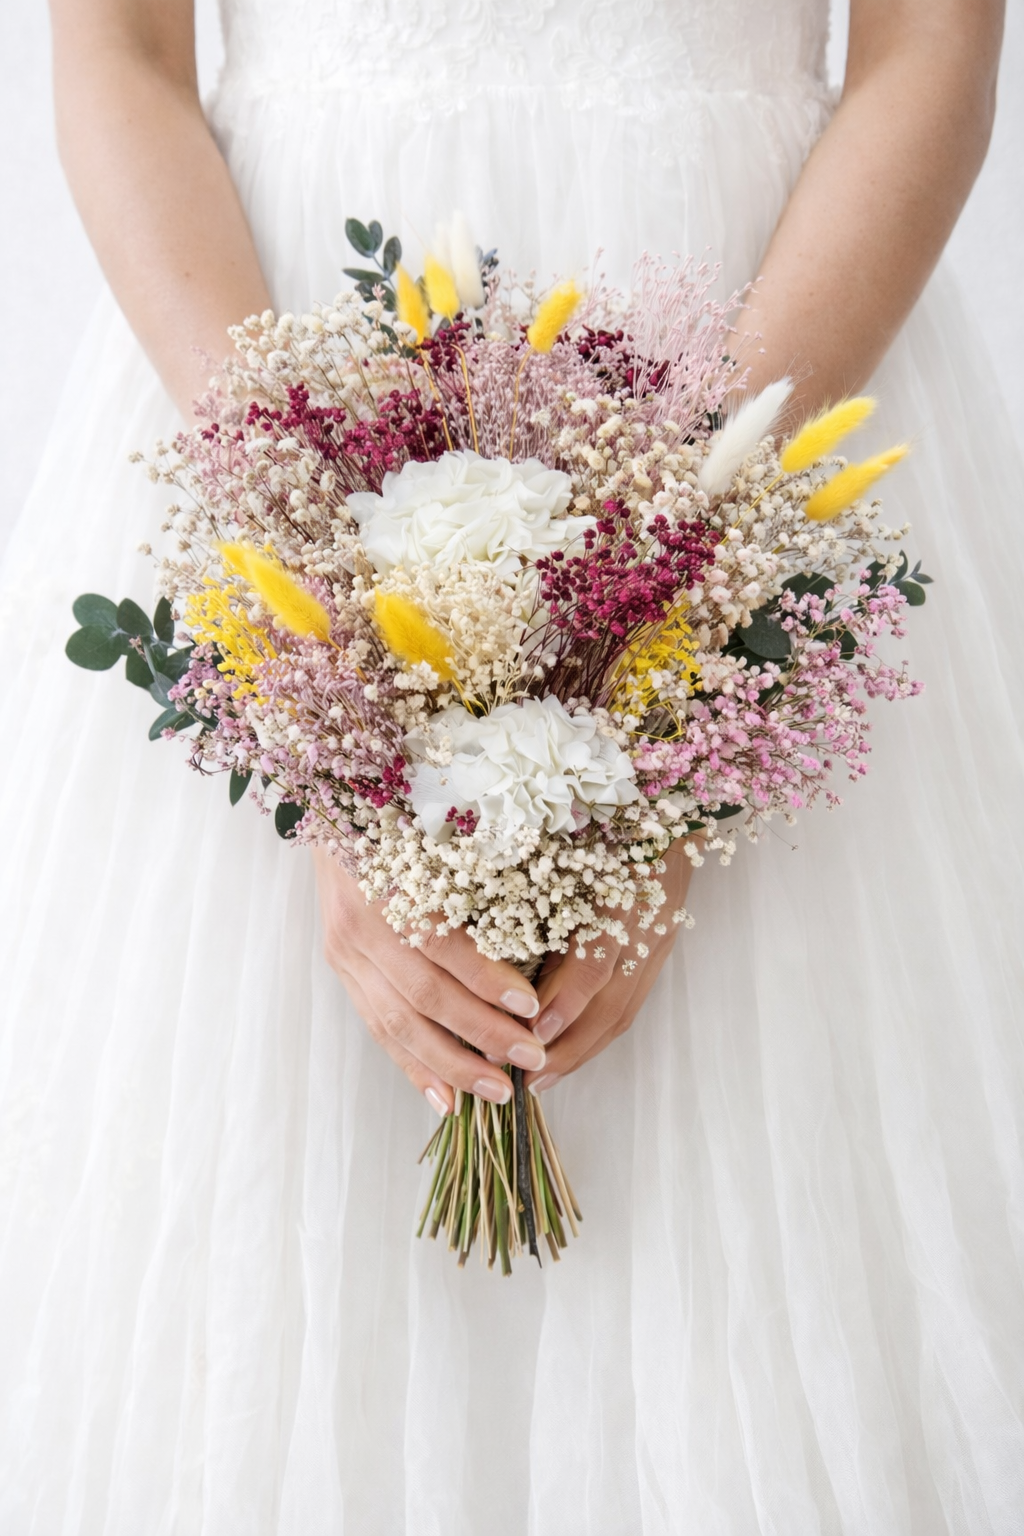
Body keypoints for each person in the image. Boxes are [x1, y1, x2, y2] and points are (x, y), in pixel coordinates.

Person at [0, 0, 1020, 1528]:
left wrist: (688, 619)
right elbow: (119, 55)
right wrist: (313, 649)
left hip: (776, 350)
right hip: (270, 350)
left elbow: (929, 51)